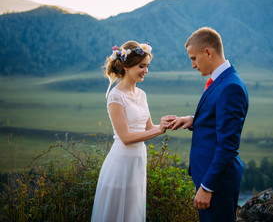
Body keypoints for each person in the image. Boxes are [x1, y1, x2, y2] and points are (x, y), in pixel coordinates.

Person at [168, 27, 249, 222]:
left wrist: (207, 187)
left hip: (217, 185)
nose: (193, 65)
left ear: (208, 52)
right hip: (210, 178)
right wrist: (195, 120)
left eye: (194, 58)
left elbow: (228, 145)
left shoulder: (231, 87)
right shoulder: (222, 80)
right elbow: (219, 120)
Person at [91, 41, 175, 222]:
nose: (146, 71)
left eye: (147, 66)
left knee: (131, 213)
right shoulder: (116, 96)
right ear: (127, 66)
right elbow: (126, 137)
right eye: (141, 66)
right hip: (120, 164)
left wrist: (165, 124)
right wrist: (160, 131)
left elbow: (148, 128)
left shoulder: (142, 94)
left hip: (138, 161)